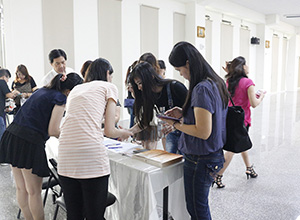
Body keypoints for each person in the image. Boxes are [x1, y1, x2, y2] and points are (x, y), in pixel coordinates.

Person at [0, 73, 83, 220]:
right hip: (28, 141)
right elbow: (53, 130)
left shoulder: (43, 91)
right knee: (34, 191)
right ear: (70, 91)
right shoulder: (60, 98)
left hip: (12, 135)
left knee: (21, 188)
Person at [57, 58, 132, 220]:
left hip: (65, 156)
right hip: (90, 157)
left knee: (74, 215)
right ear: (107, 73)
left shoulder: (77, 89)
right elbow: (110, 130)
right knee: (94, 215)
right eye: (111, 75)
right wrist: (127, 133)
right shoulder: (109, 87)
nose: (111, 79)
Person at [161, 41, 229, 220]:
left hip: (201, 158)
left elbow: (203, 131)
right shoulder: (216, 82)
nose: (182, 75)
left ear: (188, 64)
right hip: (211, 155)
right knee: (198, 207)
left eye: (180, 70)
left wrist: (175, 124)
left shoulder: (201, 88)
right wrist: (183, 112)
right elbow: (209, 117)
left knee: (197, 210)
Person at [213, 56, 265, 188]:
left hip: (229, 118)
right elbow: (254, 103)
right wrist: (262, 96)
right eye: (246, 64)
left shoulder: (229, 81)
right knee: (232, 149)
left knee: (242, 142)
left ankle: (249, 168)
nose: (248, 66)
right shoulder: (248, 82)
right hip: (242, 120)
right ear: (242, 67)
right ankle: (218, 175)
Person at [129, 62, 187, 152]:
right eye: (137, 85)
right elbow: (145, 121)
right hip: (171, 135)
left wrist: (176, 124)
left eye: (140, 83)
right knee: (172, 163)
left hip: (187, 134)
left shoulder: (175, 87)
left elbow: (193, 113)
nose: (139, 88)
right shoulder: (150, 96)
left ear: (151, 77)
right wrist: (128, 132)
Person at [0, 69, 19, 137]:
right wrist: (16, 92)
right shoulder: (2, 82)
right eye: (7, 78)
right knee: (2, 136)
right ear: (4, 77)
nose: (7, 81)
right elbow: (10, 95)